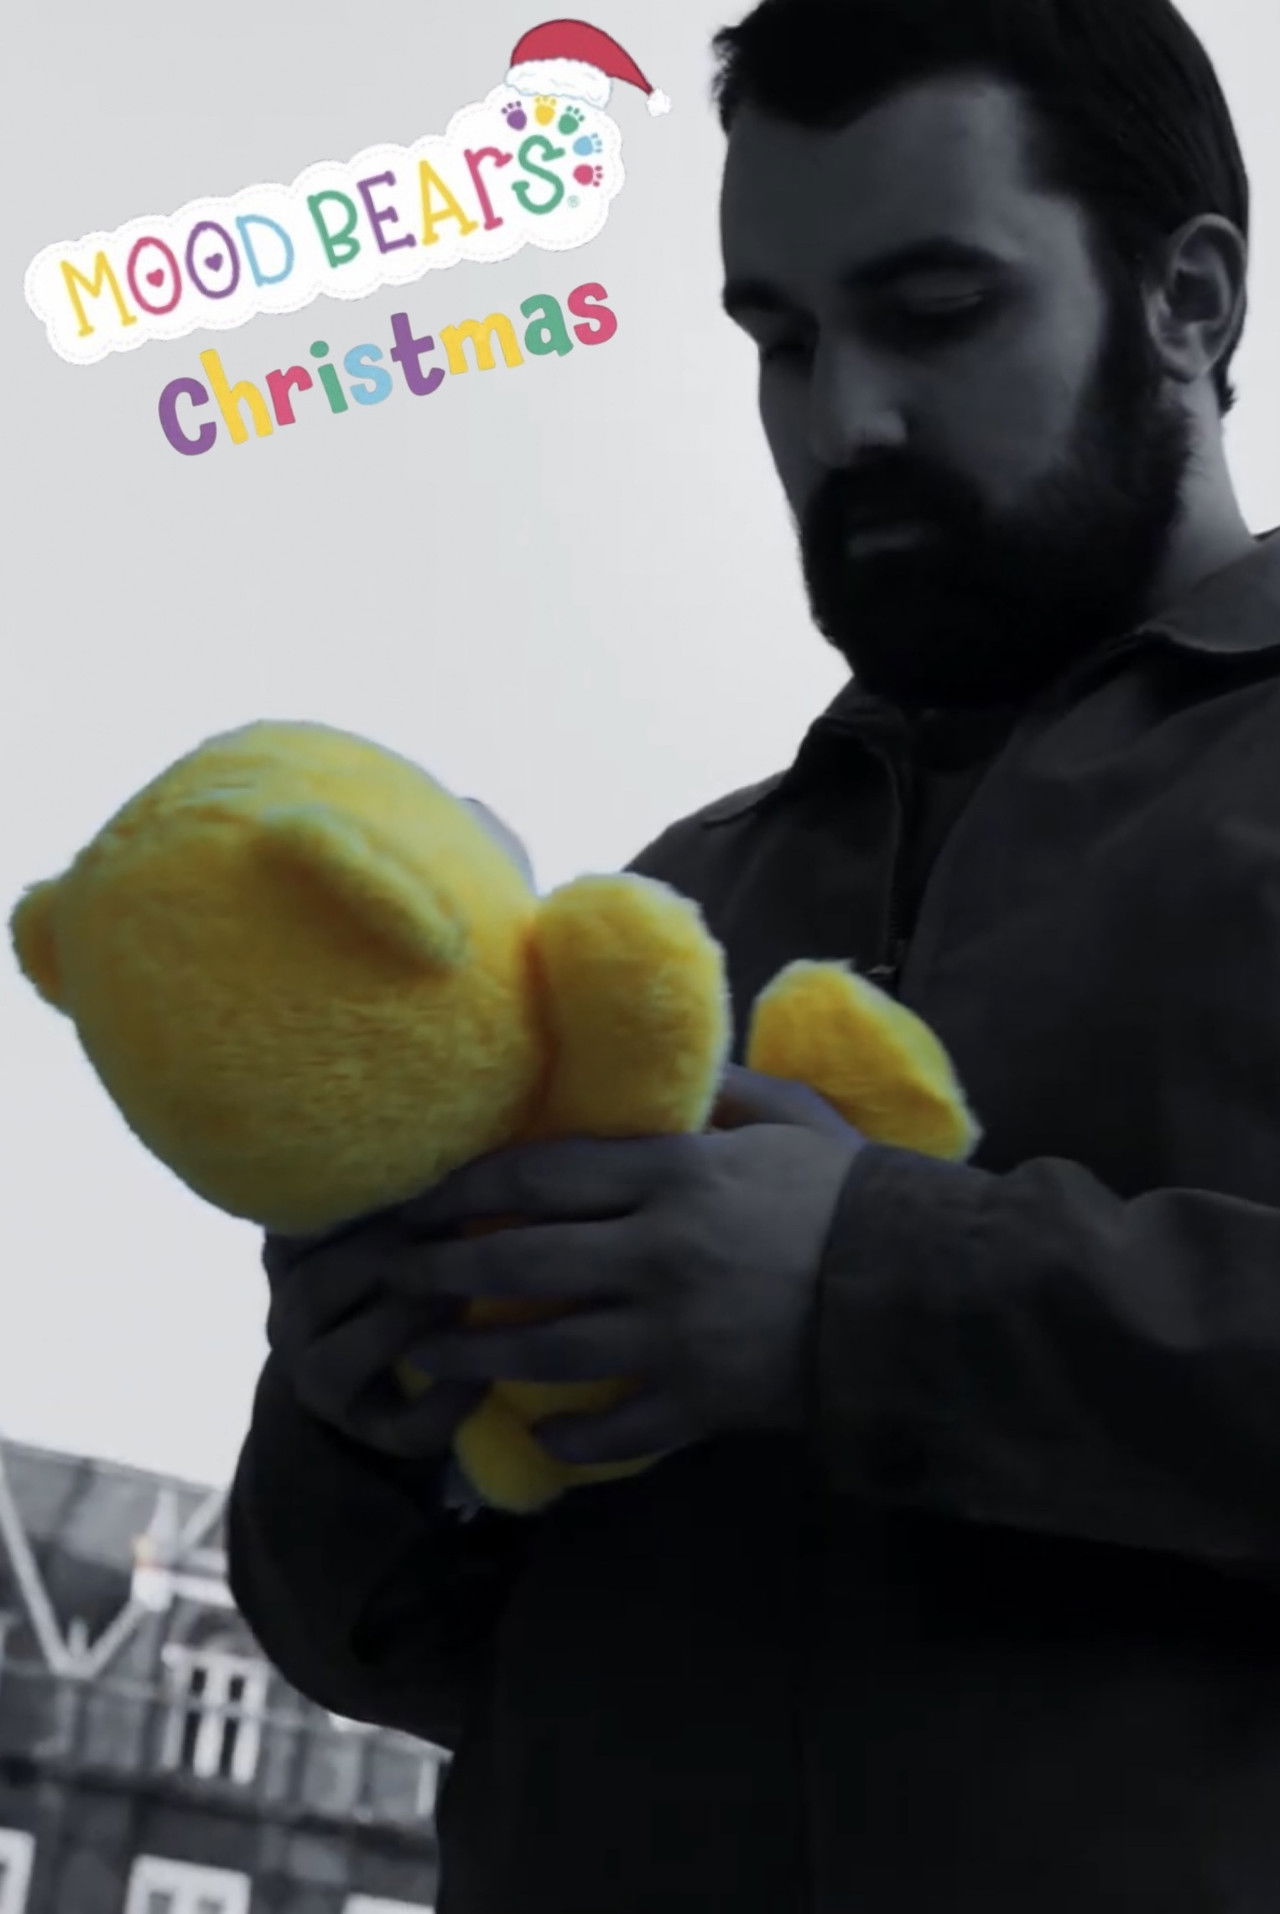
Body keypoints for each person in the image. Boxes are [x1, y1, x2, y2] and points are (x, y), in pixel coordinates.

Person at [226, 0, 1280, 1907]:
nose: (842, 419)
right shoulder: (665, 911)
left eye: (934, 311)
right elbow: (381, 1651)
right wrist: (362, 1417)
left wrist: (865, 1293)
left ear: (1187, 301)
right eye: (779, 339)